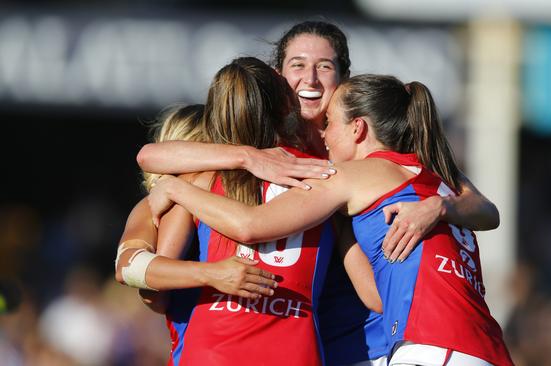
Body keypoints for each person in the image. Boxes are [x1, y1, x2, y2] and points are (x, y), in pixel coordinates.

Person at [137, 20, 500, 366]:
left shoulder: (364, 161)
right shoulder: (262, 149)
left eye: (324, 66)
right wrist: (249, 157)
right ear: (279, 77)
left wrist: (439, 206)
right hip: (289, 341)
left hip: (366, 342)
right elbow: (151, 155)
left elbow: (482, 206)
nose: (309, 78)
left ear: (343, 78)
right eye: (298, 64)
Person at [117, 57, 381, 365]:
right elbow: (373, 293)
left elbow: (153, 292)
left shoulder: (193, 184)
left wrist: (209, 274)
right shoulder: (328, 178)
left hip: (211, 352)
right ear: (287, 108)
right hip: (295, 352)